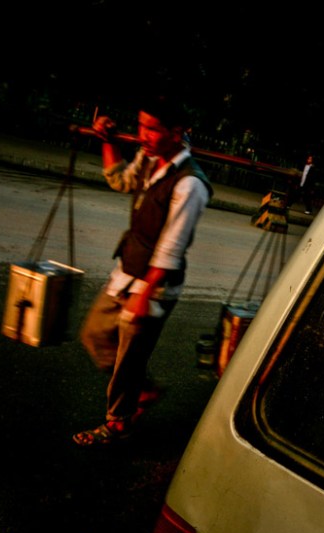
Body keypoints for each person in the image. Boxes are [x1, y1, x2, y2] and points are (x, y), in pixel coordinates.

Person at [72, 96, 212, 446]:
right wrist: (110, 142)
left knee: (127, 362)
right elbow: (121, 181)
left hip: (154, 286)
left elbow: (171, 247)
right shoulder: (149, 160)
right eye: (141, 126)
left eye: (152, 128)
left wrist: (143, 297)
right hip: (127, 272)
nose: (144, 135)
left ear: (177, 132)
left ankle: (118, 423)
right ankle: (143, 391)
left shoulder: (190, 184)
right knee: (94, 334)